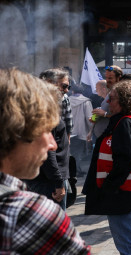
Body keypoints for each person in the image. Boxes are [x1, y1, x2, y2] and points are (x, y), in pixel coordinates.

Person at [0, 68, 90, 254]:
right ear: (15, 131)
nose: (52, 145)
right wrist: (58, 181)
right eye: (45, 130)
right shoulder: (30, 212)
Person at [83, 80, 131, 255]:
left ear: (124, 101)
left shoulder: (126, 123)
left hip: (123, 192)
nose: (108, 102)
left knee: (128, 243)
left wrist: (108, 186)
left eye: (113, 98)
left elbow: (126, 159)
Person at [27, 68, 72, 210]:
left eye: (67, 87)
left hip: (47, 178)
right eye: (63, 86)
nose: (66, 90)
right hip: (47, 182)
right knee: (53, 229)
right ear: (48, 83)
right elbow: (47, 149)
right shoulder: (43, 111)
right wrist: (58, 182)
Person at [91, 65, 123, 145]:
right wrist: (98, 114)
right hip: (104, 137)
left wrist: (104, 114)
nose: (107, 80)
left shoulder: (120, 93)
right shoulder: (111, 93)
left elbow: (122, 115)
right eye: (106, 77)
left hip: (111, 138)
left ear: (119, 78)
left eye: (110, 78)